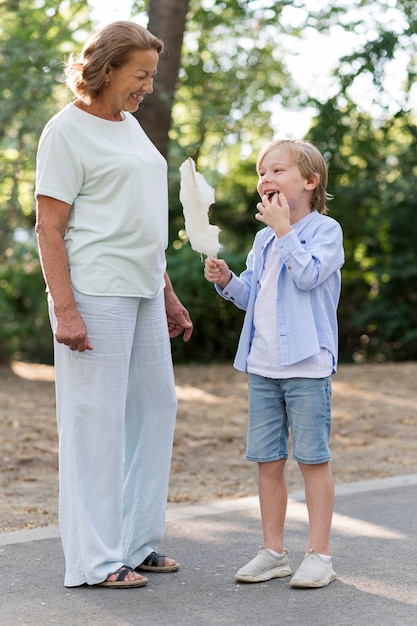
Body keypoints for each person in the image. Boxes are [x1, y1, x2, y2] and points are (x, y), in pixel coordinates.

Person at [35, 21, 193, 589]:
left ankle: (136, 542)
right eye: (140, 75)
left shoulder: (130, 128)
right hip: (95, 290)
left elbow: (144, 221)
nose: (148, 87)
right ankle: (96, 560)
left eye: (151, 74)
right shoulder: (66, 131)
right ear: (106, 70)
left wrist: (169, 294)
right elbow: (48, 228)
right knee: (95, 423)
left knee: (155, 409)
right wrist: (65, 309)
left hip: (146, 287)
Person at [204, 139, 344, 588]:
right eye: (262, 172)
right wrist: (227, 280)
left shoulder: (326, 232)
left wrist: (285, 231)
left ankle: (319, 554)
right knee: (267, 461)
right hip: (263, 366)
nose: (265, 179)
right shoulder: (263, 238)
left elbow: (306, 276)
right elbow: (254, 296)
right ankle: (273, 551)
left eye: (277, 171)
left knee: (312, 460)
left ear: (309, 181)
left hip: (307, 367)